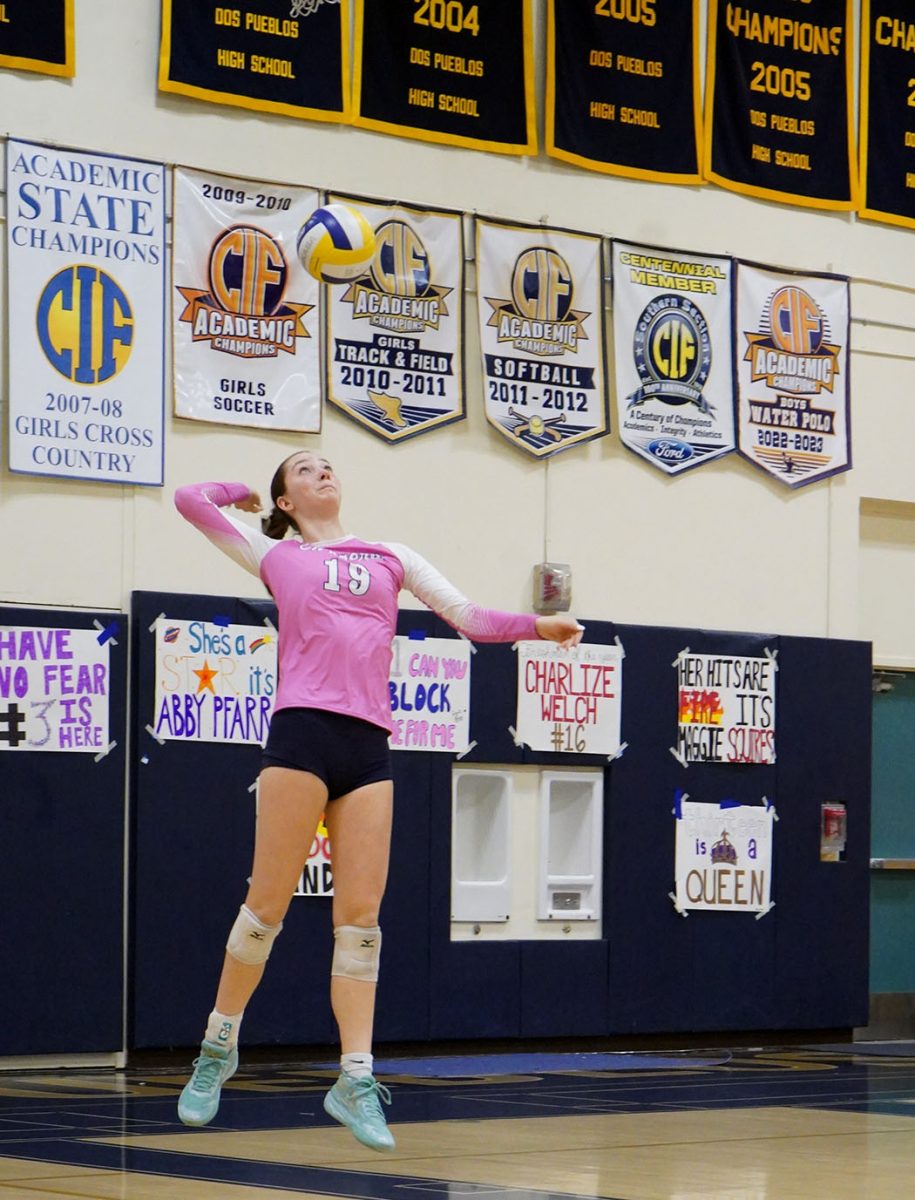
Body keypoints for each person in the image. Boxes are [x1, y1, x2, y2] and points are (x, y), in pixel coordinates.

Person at [173, 449, 583, 1151]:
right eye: (304, 470)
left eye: (327, 465)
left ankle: (353, 1078)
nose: (322, 472)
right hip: (300, 733)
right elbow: (189, 498)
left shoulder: (390, 555)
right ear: (287, 499)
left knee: (360, 923)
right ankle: (218, 1048)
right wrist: (244, 493)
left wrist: (534, 626)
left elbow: (469, 616)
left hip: (367, 745)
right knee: (263, 911)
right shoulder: (273, 556)